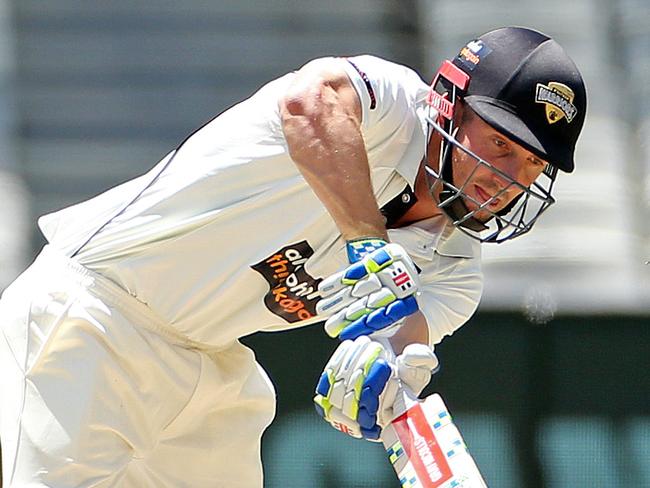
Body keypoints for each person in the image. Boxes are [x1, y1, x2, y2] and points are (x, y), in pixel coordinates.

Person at [0, 26, 586, 487]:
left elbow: (399, 340)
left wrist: (383, 373)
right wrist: (368, 243)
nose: (506, 179)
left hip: (210, 367)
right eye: (500, 145)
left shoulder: (455, 270)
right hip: (93, 315)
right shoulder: (388, 104)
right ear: (449, 106)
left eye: (532, 164)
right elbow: (309, 103)